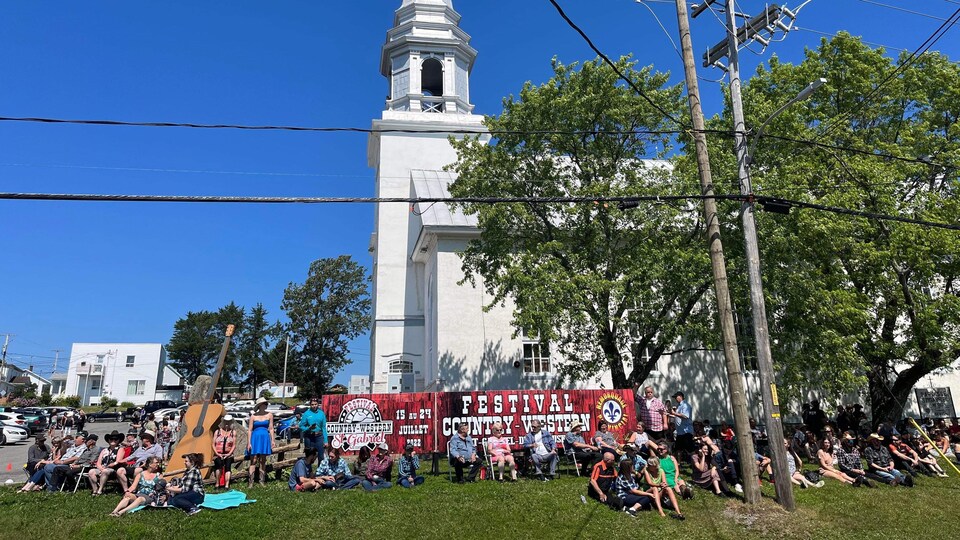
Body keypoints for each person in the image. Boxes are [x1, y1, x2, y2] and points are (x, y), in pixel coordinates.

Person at [89, 430, 127, 495]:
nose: (113, 440)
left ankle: (100, 490)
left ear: (118, 440)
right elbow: (98, 462)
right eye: (111, 439)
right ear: (108, 440)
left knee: (105, 471)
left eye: (115, 439)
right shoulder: (104, 450)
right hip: (103, 468)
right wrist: (101, 468)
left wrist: (107, 467)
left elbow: (118, 461)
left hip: (114, 469)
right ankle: (95, 490)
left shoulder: (120, 449)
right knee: (91, 472)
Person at [247, 397, 275, 487]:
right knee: (253, 459)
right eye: (264, 404)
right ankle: (251, 481)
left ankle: (261, 480)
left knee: (263, 459)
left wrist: (273, 440)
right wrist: (249, 442)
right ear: (260, 405)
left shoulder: (269, 415)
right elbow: (249, 430)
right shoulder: (253, 416)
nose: (266, 405)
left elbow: (271, 428)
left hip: (265, 437)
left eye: (266, 404)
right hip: (255, 437)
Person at [213, 415, 237, 489]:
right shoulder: (217, 432)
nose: (227, 423)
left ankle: (227, 484)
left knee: (228, 467)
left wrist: (229, 454)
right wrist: (217, 453)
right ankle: (217, 483)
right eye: (226, 421)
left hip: (228, 454)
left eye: (229, 422)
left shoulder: (233, 432)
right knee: (218, 465)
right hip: (218, 453)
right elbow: (213, 444)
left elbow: (234, 445)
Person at [668, 391, 694, 458]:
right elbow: (677, 416)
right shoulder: (679, 406)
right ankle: (678, 463)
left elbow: (685, 416)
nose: (675, 399)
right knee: (678, 449)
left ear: (680, 397)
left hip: (686, 431)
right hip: (680, 432)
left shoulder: (685, 405)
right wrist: (669, 414)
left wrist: (674, 413)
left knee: (690, 450)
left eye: (676, 397)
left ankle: (694, 462)